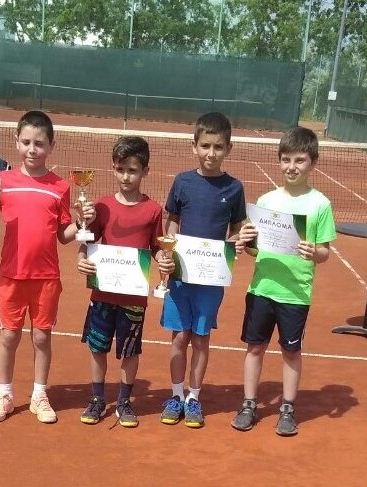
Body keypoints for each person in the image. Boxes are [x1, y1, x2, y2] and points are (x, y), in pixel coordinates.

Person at [0, 110, 94, 424]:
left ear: (51, 146)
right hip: (11, 276)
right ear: (16, 142)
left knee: (41, 338)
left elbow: (63, 235)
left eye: (39, 143)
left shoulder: (60, 187)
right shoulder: (2, 181)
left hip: (46, 278)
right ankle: (5, 394)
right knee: (9, 337)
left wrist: (82, 223)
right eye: (26, 142)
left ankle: (39, 395)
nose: (32, 149)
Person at [230, 126, 336, 436]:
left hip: (295, 293)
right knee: (255, 347)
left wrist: (313, 251)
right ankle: (249, 404)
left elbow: (325, 252)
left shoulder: (320, 204)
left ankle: (287, 408)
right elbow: (254, 249)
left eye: (299, 160)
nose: (292, 166)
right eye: (286, 159)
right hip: (261, 289)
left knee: (291, 352)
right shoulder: (266, 200)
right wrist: (244, 242)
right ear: (279, 160)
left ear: (312, 163)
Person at [75, 136, 173, 428]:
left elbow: (156, 246)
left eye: (132, 170)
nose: (126, 177)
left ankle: (124, 401)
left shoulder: (153, 209)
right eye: (120, 169)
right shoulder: (102, 206)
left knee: (130, 350)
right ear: (113, 168)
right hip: (102, 294)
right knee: (97, 347)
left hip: (133, 299)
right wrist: (81, 258)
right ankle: (97, 398)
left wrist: (163, 259)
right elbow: (87, 238)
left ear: (145, 171)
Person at [159, 112, 246, 428]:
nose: (211, 153)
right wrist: (167, 250)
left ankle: (194, 398)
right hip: (180, 278)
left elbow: (236, 229)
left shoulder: (234, 188)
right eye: (206, 146)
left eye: (218, 147)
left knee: (200, 339)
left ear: (228, 149)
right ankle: (176, 395)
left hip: (210, 281)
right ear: (194, 146)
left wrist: (234, 244)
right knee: (179, 337)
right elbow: (171, 221)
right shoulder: (182, 182)